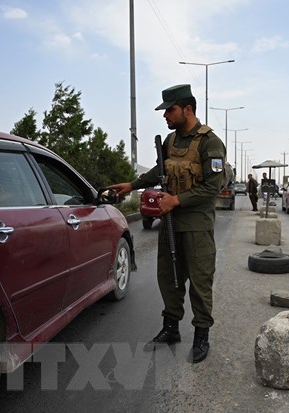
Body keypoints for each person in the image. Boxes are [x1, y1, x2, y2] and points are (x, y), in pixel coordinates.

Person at [107, 84, 225, 363]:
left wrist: (177, 200)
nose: (165, 116)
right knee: (169, 278)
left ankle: (201, 336)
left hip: (196, 226)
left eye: (170, 110)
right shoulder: (171, 141)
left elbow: (213, 187)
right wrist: (132, 185)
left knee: (199, 281)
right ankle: (171, 328)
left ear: (188, 109)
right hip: (170, 223)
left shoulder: (210, 143)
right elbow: (157, 171)